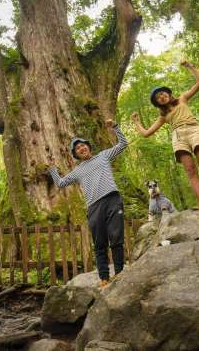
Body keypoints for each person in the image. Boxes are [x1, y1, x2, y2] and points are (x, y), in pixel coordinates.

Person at [48, 120, 128, 288]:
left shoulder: (104, 156)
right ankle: (104, 278)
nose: (81, 149)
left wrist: (115, 127)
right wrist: (52, 170)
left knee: (116, 237)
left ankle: (120, 273)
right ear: (76, 155)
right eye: (77, 149)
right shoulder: (78, 171)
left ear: (89, 147)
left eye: (83, 146)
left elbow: (123, 144)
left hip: (112, 198)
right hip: (94, 206)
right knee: (100, 243)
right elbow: (61, 183)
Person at [131, 60, 199, 210]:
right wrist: (136, 122)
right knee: (190, 170)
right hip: (178, 137)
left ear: (169, 94)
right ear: (158, 103)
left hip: (194, 130)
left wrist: (189, 66)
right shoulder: (163, 116)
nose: (161, 97)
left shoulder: (183, 99)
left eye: (163, 94)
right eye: (158, 98)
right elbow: (146, 133)